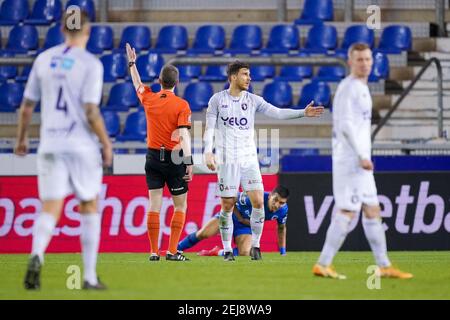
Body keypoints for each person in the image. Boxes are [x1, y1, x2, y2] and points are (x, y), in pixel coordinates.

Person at [15, 11, 112, 290]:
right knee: (89, 204)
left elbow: (26, 108)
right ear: (88, 30)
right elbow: (91, 110)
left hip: (49, 144)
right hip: (81, 145)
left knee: (50, 208)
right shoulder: (90, 64)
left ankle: (36, 254)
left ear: (61, 28)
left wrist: (22, 140)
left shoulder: (43, 59)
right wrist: (105, 142)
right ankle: (89, 277)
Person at [204, 60, 324, 261]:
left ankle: (256, 247)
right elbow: (209, 129)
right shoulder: (217, 100)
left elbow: (277, 112)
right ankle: (226, 250)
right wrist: (208, 152)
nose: (249, 78)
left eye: (249, 74)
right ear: (233, 77)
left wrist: (302, 113)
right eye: (244, 74)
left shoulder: (253, 100)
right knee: (227, 205)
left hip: (249, 157)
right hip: (227, 158)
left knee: (259, 201)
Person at [313, 43, 413, 280]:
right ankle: (323, 263)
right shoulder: (350, 88)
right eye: (360, 60)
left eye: (368, 59)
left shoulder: (362, 88)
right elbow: (346, 126)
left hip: (358, 160)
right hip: (351, 160)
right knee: (347, 210)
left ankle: (384, 266)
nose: (365, 64)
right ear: (350, 62)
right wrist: (362, 156)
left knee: (372, 210)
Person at [126, 43, 193, 262]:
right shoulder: (182, 105)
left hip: (152, 157)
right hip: (175, 158)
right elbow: (183, 135)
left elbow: (136, 83)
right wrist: (189, 161)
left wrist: (132, 63)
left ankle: (154, 252)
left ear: (159, 81)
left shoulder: (149, 99)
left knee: (154, 204)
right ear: (177, 82)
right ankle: (172, 252)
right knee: (180, 205)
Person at [177, 185, 290, 256]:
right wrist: (240, 218)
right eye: (276, 200)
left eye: (282, 202)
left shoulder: (282, 211)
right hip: (231, 216)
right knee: (203, 234)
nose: (278, 205)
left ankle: (217, 252)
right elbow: (232, 198)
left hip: (244, 227)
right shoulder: (255, 197)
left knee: (245, 252)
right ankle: (175, 249)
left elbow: (281, 229)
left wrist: (283, 252)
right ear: (270, 196)